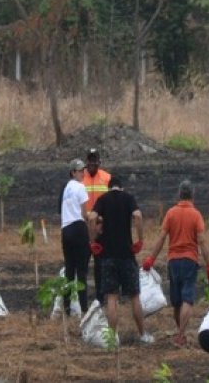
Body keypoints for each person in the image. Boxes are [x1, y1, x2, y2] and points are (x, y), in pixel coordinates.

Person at [143, 180, 209, 347]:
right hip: (190, 260)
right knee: (187, 298)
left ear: (179, 195)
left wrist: (151, 259)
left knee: (176, 301)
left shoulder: (171, 213)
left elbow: (161, 237)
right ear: (192, 196)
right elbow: (202, 242)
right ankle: (181, 334)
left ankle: (180, 333)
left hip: (173, 261)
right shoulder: (196, 215)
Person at [88, 174, 153, 345]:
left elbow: (92, 217)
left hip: (108, 256)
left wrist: (92, 241)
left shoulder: (103, 199)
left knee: (111, 298)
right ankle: (143, 334)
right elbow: (138, 216)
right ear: (121, 187)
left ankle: (112, 338)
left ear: (109, 187)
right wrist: (140, 239)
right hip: (126, 255)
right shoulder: (128, 198)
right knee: (134, 296)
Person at [59, 157, 91, 316]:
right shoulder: (80, 187)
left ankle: (66, 308)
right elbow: (84, 214)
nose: (83, 173)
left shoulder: (66, 188)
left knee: (69, 271)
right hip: (78, 229)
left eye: (83, 170)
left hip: (65, 230)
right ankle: (84, 308)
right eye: (80, 171)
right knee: (82, 272)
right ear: (73, 172)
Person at [81, 148, 112, 303]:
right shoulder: (80, 178)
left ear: (99, 162)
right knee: (82, 264)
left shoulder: (107, 178)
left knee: (100, 264)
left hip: (101, 229)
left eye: (95, 160)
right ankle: (82, 298)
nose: (92, 163)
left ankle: (101, 296)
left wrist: (102, 223)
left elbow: (112, 202)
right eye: (90, 160)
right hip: (84, 227)